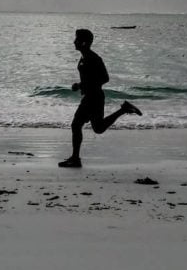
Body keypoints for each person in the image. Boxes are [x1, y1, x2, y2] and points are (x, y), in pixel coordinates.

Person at [58, 28, 142, 168]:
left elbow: (105, 78)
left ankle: (75, 159)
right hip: (92, 97)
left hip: (93, 97)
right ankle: (123, 109)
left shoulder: (93, 58)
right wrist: (80, 85)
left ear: (84, 42)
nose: (74, 42)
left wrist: (83, 85)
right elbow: (89, 78)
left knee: (76, 125)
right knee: (97, 128)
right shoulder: (84, 56)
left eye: (77, 39)